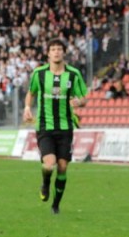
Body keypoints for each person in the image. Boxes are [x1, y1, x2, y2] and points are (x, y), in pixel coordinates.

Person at [23, 38, 88, 215]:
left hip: (66, 127)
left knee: (62, 167)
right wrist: (28, 107)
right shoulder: (40, 73)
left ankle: (56, 205)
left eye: (59, 49)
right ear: (48, 53)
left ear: (64, 53)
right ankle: (45, 184)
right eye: (53, 49)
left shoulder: (73, 74)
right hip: (45, 126)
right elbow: (31, 93)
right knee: (49, 163)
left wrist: (79, 102)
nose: (56, 52)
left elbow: (84, 98)